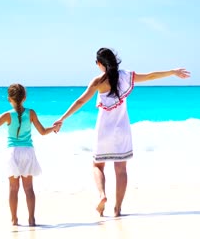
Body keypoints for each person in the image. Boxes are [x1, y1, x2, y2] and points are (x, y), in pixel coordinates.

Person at [54, 47, 190, 217]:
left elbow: (80, 101)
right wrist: (172, 72)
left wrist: (62, 118)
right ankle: (117, 209)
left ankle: (102, 195)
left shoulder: (98, 81)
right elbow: (150, 76)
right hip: (122, 130)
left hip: (104, 129)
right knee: (121, 169)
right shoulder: (125, 76)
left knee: (97, 165)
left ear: (99, 63)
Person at [0, 83, 59, 226]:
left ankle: (14, 219)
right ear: (24, 97)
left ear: (9, 99)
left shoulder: (7, 116)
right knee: (29, 188)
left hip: (12, 153)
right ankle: (31, 219)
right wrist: (54, 128)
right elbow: (42, 132)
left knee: (13, 188)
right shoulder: (31, 113)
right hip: (28, 152)